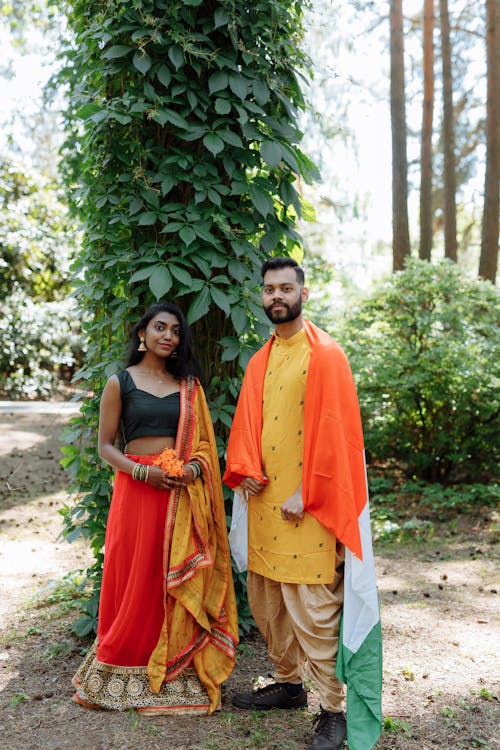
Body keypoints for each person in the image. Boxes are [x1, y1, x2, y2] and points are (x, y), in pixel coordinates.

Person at [223, 258, 382, 750]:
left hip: (308, 506)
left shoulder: (326, 354)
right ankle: (288, 682)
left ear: (303, 294)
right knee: (268, 603)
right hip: (265, 505)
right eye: (269, 289)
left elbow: (337, 435)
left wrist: (305, 492)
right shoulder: (260, 358)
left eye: (285, 288)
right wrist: (245, 469)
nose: (277, 296)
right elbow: (250, 424)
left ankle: (332, 708)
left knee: (314, 609)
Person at [72, 301, 239, 715]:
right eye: (160, 328)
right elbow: (106, 447)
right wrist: (143, 474)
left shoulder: (190, 387)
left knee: (164, 578)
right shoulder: (120, 382)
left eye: (176, 331)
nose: (168, 336)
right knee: (134, 574)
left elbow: (202, 447)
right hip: (136, 490)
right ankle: (122, 663)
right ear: (142, 334)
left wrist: (193, 471)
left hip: (179, 493)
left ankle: (173, 665)